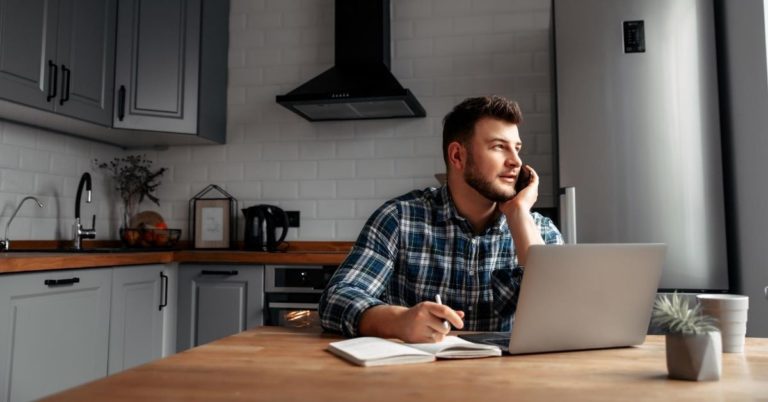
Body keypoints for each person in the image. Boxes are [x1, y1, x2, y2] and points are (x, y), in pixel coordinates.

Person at [319, 96, 563, 343]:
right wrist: (398, 321)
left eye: (517, 148)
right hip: (414, 376)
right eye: (499, 147)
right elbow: (337, 299)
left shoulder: (540, 229)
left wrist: (519, 214)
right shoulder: (399, 218)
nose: (516, 161)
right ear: (457, 156)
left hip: (508, 379)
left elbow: (562, 317)